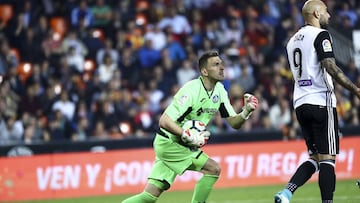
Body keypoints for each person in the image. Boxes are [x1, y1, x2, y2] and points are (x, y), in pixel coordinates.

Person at [121, 51, 258, 203]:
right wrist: (186, 134)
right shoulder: (191, 90)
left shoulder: (220, 91)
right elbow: (164, 121)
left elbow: (234, 123)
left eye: (221, 63)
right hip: (170, 143)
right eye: (216, 64)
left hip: (178, 144)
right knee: (213, 169)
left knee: (148, 197)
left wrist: (246, 111)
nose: (222, 67)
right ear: (204, 71)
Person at [274, 1, 360, 203]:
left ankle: (286, 193)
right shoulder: (321, 35)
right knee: (328, 158)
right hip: (321, 100)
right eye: (326, 12)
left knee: (315, 157)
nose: (329, 15)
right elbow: (330, 66)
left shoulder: (292, 41)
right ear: (316, 13)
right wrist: (354, 89)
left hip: (301, 103)